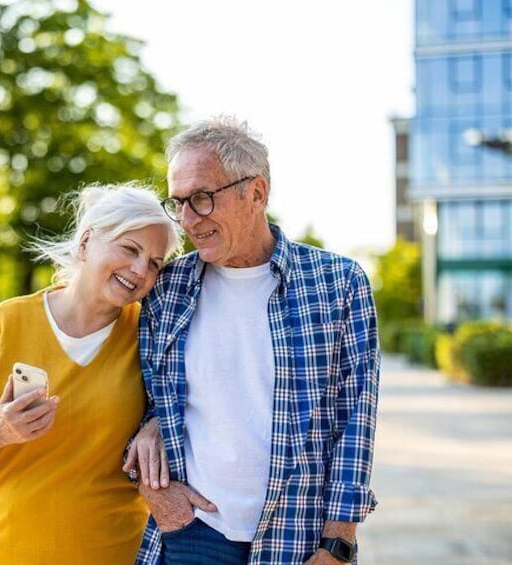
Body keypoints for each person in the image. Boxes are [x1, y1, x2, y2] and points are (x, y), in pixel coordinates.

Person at [125, 116, 380, 564]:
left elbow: (355, 420)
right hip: (193, 531)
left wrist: (338, 543)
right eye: (178, 202)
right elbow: (133, 392)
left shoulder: (338, 283)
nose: (187, 220)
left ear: (256, 192)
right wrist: (151, 463)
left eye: (201, 199)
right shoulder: (165, 288)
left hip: (299, 537)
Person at [0, 182, 183, 564]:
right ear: (85, 243)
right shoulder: (7, 321)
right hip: (11, 551)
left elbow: (196, 404)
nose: (139, 270)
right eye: (130, 249)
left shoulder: (151, 336)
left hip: (115, 554)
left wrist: (158, 424)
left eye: (154, 263)